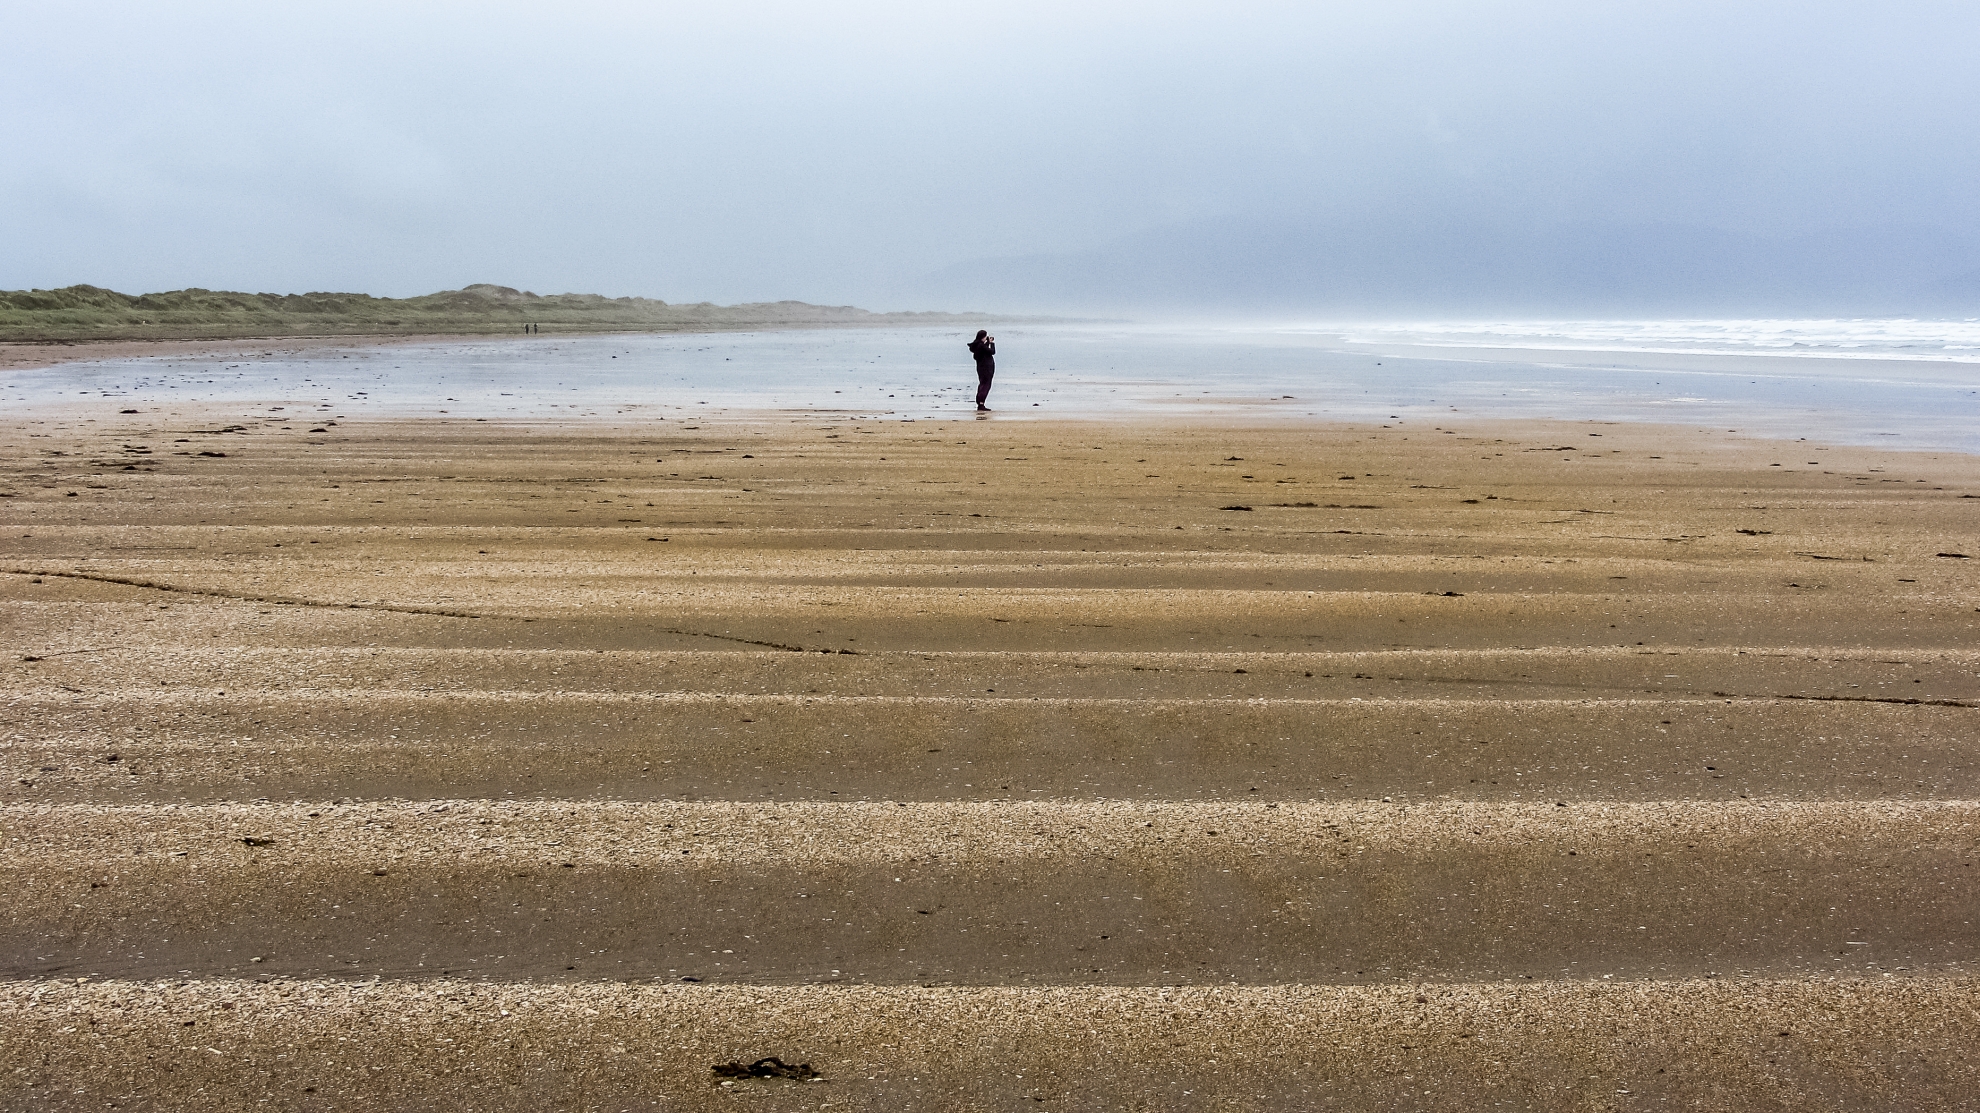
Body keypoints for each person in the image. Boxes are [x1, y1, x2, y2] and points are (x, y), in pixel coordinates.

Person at [967, 329, 996, 410]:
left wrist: (987, 343)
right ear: (983, 337)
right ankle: (981, 403)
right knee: (986, 385)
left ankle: (980, 402)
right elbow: (992, 351)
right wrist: (992, 344)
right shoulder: (981, 346)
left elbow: (983, 351)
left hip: (980, 367)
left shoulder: (977, 346)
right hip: (987, 367)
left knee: (982, 383)